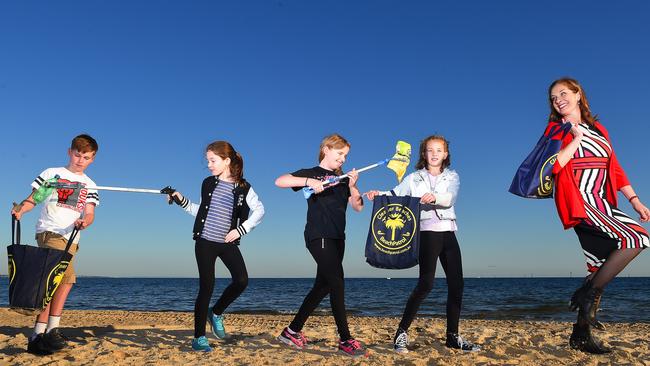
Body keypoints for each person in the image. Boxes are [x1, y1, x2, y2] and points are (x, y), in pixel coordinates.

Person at [547, 78, 649, 353]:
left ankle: (580, 334)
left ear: (578, 95)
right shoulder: (557, 128)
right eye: (554, 97)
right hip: (580, 201)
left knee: (598, 266)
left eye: (564, 93)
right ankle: (586, 296)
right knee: (636, 239)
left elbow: (614, 168)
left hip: (603, 201)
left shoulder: (600, 128)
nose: (559, 100)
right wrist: (575, 139)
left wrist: (635, 201)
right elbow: (554, 166)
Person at [366, 135, 480, 354]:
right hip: (427, 233)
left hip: (448, 233)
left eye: (439, 150)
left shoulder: (452, 176)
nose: (434, 154)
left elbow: (450, 198)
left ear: (446, 154)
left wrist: (434, 196)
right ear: (424, 154)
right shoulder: (414, 177)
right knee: (426, 285)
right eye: (430, 150)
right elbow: (395, 194)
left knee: (457, 285)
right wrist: (376, 194)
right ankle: (401, 332)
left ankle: (452, 337)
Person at [275, 133, 367, 358]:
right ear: (326, 149)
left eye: (346, 155)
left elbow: (358, 207)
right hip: (319, 235)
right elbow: (280, 181)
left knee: (323, 286)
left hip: (338, 238)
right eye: (340, 153)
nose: (343, 159)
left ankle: (291, 331)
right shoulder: (311, 173)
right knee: (337, 282)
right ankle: (345, 339)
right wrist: (310, 182)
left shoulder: (343, 178)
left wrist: (354, 186)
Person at [167, 141, 264, 352]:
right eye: (208, 160)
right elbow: (200, 210)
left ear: (226, 161)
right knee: (206, 287)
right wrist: (180, 199)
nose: (209, 165)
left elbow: (260, 211)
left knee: (241, 280)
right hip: (205, 242)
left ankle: (217, 312)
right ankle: (199, 338)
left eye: (213, 160)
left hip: (227, 242)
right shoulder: (208, 183)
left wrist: (240, 230)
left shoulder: (243, 187)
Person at [11, 134, 100, 355]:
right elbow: (35, 198)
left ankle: (39, 335)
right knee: (64, 279)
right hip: (49, 233)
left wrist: (85, 222)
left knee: (54, 284)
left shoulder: (91, 185)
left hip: (72, 238)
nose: (80, 160)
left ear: (92, 159)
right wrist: (21, 209)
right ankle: (50, 331)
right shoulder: (52, 174)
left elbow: (89, 213)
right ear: (70, 152)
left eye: (86, 157)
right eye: (77, 154)